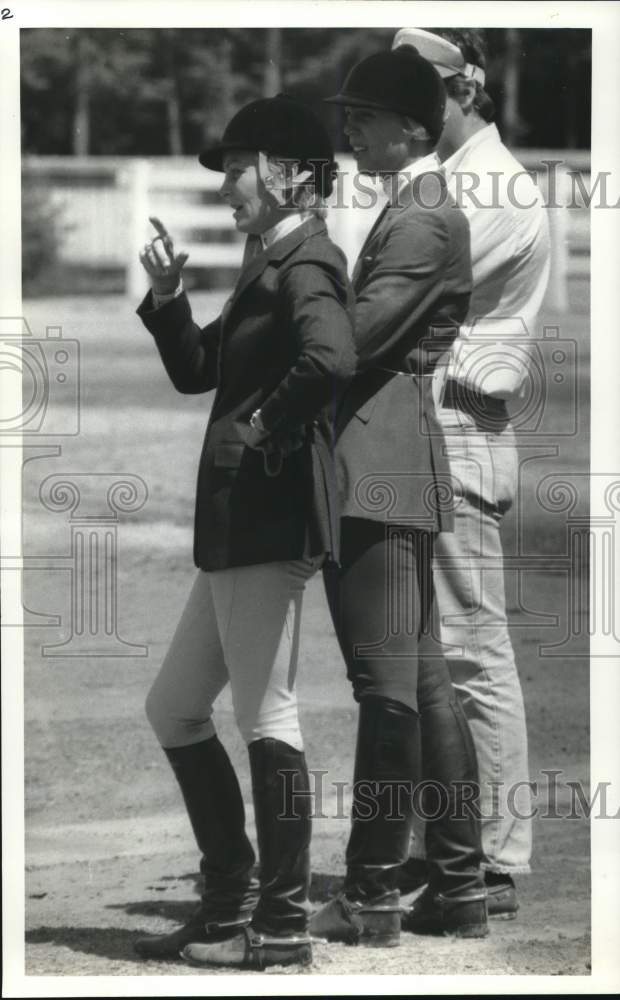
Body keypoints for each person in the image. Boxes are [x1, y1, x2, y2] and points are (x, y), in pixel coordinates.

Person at [133, 94, 356, 970]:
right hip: (240, 524)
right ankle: (228, 901)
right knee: (176, 708)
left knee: (269, 714)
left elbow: (331, 359)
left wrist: (268, 424)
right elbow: (198, 371)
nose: (226, 184)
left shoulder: (306, 260)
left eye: (236, 167)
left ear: (289, 170)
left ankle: (281, 925)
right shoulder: (271, 260)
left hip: (266, 516)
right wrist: (166, 298)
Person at [309, 45, 487, 947]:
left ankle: (374, 889)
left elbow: (351, 340)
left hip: (377, 455)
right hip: (388, 450)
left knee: (386, 688)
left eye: (366, 118)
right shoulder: (407, 208)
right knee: (419, 683)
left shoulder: (419, 219)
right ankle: (456, 888)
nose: (352, 129)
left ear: (413, 127)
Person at [392, 27, 551, 918]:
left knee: (471, 654)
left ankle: (495, 855)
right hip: (423, 427)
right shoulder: (443, 181)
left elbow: (413, 292)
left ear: (469, 87)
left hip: (458, 422)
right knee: (429, 655)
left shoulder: (493, 185)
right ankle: (451, 846)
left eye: (426, 87)